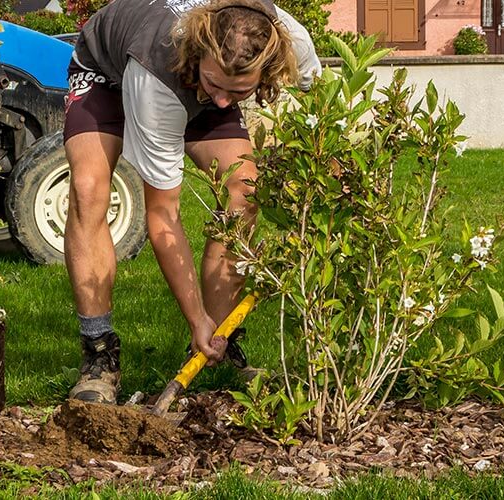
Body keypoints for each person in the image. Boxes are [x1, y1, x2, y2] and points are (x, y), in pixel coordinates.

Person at [63, 0, 320, 404]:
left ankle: (217, 341)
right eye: (216, 84)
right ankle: (99, 355)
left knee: (245, 186)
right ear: (199, 53)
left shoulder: (288, 41)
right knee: (89, 189)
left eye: (240, 91)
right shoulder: (157, 75)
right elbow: (163, 216)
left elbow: (322, 107)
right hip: (109, 75)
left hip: (185, 82)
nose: (223, 101)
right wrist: (192, 314)